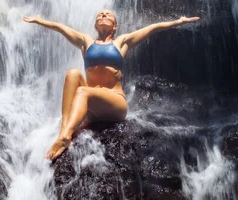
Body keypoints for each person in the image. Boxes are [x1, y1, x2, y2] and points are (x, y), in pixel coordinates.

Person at [23, 10, 200, 160]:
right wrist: (40, 21)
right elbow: (61, 28)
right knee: (72, 74)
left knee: (83, 91)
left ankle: (66, 136)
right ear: (95, 25)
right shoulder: (86, 41)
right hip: (92, 108)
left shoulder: (122, 42)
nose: (104, 15)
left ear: (115, 26)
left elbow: (152, 29)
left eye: (108, 15)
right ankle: (64, 133)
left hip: (115, 103)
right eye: (100, 14)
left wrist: (178, 21)